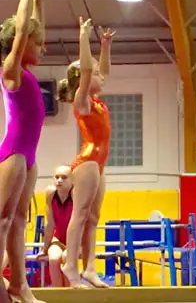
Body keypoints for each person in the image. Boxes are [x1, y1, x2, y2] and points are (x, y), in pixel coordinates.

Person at [56, 18, 115, 288]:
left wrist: (105, 46)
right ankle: (71, 265)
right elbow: (91, 71)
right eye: (93, 75)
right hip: (87, 161)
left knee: (93, 217)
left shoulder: (97, 101)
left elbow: (102, 71)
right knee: (80, 214)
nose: (101, 77)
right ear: (83, 78)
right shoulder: (82, 101)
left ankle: (90, 268)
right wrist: (82, 36)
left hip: (99, 164)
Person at [0, 0, 46, 301]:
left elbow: (31, 29)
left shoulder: (27, 73)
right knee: (2, 220)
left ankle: (19, 284)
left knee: (19, 223)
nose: (42, 48)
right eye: (37, 43)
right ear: (23, 43)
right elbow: (20, 33)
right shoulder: (10, 70)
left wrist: (40, 0)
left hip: (29, 157)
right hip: (13, 153)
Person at [36, 165, 73, 287]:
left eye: (64, 177)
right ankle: (58, 295)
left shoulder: (76, 195)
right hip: (58, 239)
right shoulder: (50, 194)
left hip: (76, 240)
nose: (59, 180)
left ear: (72, 180)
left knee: (67, 257)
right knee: (53, 259)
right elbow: (50, 223)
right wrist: (45, 249)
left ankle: (70, 295)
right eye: (57, 177)